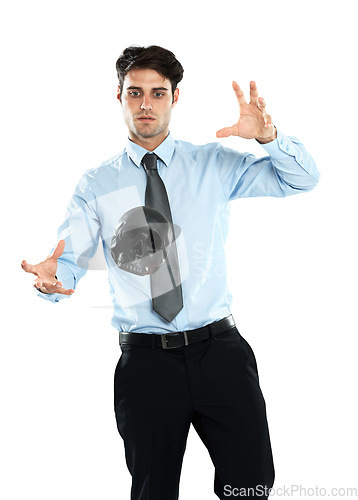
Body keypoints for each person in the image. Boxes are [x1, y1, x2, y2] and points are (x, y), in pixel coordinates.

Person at [21, 45, 320, 500]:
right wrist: (55, 279)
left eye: (158, 93)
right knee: (152, 490)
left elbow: (300, 179)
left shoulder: (213, 164)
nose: (145, 103)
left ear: (175, 98)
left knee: (252, 484)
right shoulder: (95, 184)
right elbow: (69, 258)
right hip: (145, 364)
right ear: (118, 96)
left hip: (220, 352)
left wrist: (269, 137)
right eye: (135, 92)